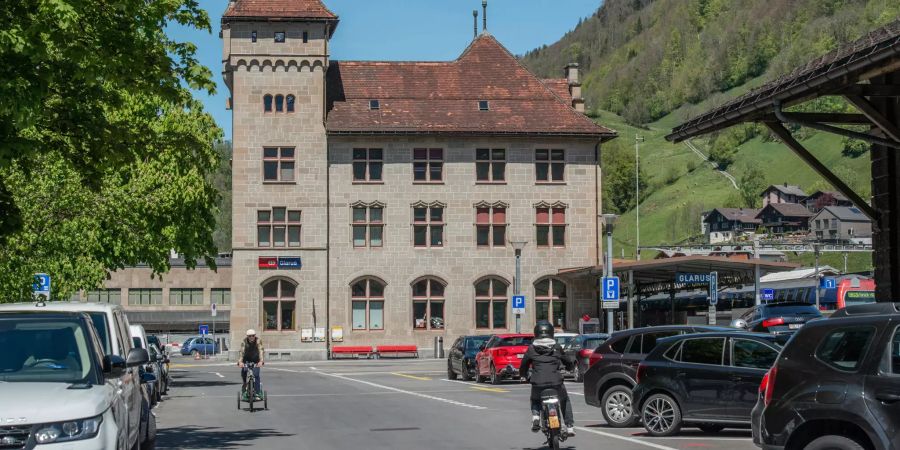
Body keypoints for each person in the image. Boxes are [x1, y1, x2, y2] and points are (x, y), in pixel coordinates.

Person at [519, 322, 576, 436]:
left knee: (535, 399)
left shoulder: (531, 349)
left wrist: (524, 375)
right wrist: (570, 368)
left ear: (536, 333)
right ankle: (569, 427)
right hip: (556, 382)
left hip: (538, 383)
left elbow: (523, 365)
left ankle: (535, 417)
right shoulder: (556, 347)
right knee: (564, 400)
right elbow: (568, 361)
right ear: (551, 333)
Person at [238, 329, 264, 400]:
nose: (251, 337)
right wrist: (240, 362)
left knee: (256, 375)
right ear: (247, 336)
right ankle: (244, 386)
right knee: (244, 372)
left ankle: (258, 392)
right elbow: (241, 352)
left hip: (256, 361)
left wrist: (261, 361)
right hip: (246, 360)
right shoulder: (244, 342)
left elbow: (261, 350)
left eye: (253, 336)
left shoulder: (258, 341)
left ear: (255, 336)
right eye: (250, 336)